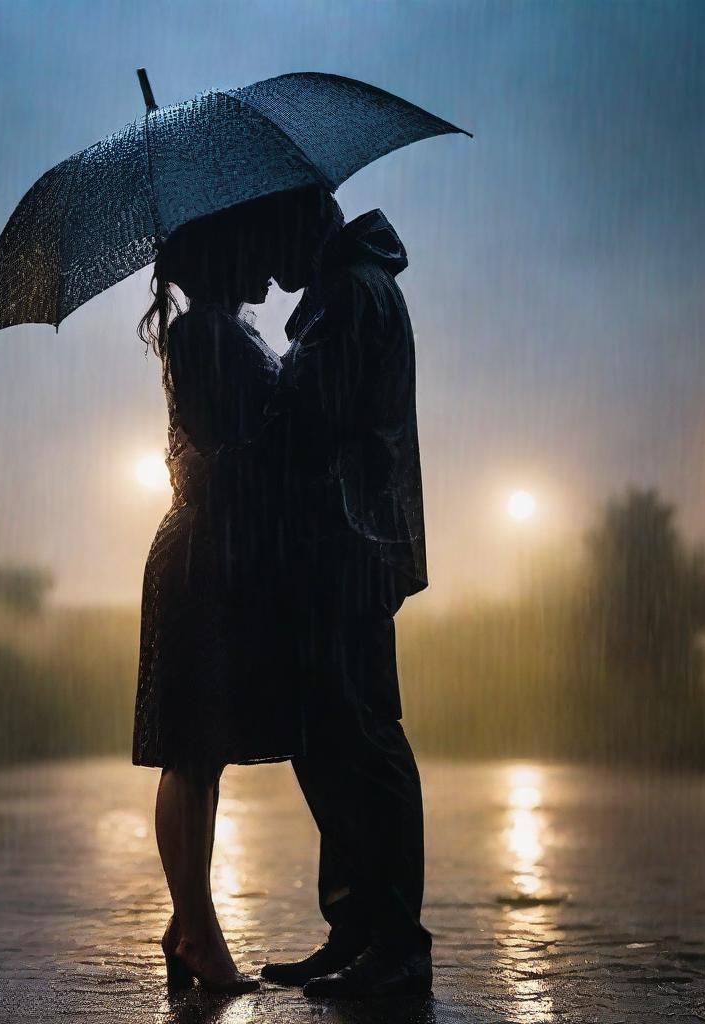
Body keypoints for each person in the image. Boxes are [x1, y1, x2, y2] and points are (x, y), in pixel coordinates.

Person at [256, 186, 434, 998]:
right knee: (332, 738)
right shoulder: (343, 292)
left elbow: (314, 417)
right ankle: (357, 929)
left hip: (349, 544)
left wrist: (256, 377)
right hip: (342, 541)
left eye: (271, 240)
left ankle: (393, 941)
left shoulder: (351, 295)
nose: (266, 261)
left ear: (305, 229)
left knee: (358, 739)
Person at [131, 201, 301, 995]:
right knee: (191, 755)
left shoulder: (224, 331)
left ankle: (183, 924)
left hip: (219, 556)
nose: (268, 261)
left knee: (205, 752)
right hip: (200, 557)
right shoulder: (203, 335)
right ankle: (201, 935)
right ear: (223, 260)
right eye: (252, 249)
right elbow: (216, 455)